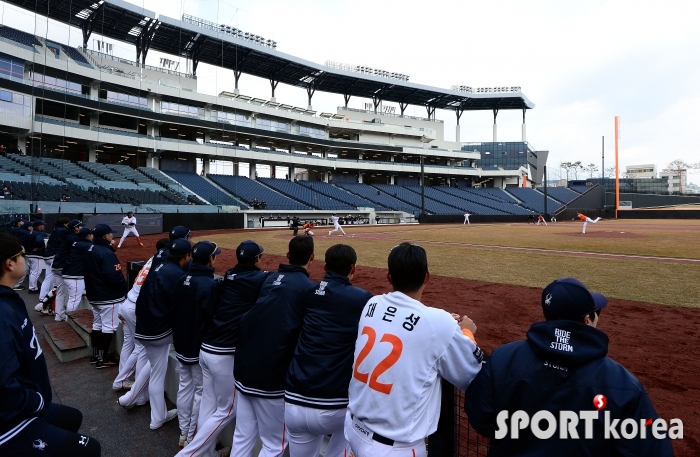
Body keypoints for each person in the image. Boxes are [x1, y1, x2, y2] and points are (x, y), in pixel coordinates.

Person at [464, 278, 673, 456]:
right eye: (596, 312)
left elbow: (481, 418)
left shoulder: (503, 358)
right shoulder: (622, 382)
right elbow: (652, 449)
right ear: (587, 319)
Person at [344, 242, 482, 457]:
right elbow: (473, 373)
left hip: (353, 430)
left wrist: (443, 322)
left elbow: (408, 320)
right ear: (427, 277)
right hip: (394, 448)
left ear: (389, 277)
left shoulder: (372, 304)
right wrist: (466, 332)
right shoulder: (438, 322)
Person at [0, 232, 102, 457]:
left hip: (25, 400)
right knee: (90, 450)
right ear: (9, 264)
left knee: (72, 417)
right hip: (10, 420)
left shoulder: (7, 300)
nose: (24, 260)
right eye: (21, 256)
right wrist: (34, 401)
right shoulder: (2, 314)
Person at [178, 240, 268, 457]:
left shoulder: (229, 274)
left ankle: (206, 452)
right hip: (223, 354)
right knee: (227, 410)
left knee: (209, 407)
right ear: (257, 259)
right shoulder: (257, 278)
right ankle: (189, 454)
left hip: (207, 349)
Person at [285, 244, 373, 457]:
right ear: (353, 269)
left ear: (324, 266)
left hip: (294, 399)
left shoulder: (309, 291)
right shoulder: (361, 298)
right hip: (334, 404)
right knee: (360, 424)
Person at [231, 236, 315, 457]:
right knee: (274, 444)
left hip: (244, 367)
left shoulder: (269, 279)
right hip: (271, 377)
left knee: (242, 436)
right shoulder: (308, 288)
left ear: (287, 256)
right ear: (312, 258)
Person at [117, 229, 191, 408]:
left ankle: (133, 394)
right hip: (145, 315)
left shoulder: (159, 257)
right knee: (153, 363)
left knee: (141, 353)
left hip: (133, 304)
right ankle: (133, 396)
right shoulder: (174, 269)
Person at [133, 238, 192, 430]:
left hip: (143, 328)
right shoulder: (175, 273)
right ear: (186, 256)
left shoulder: (160, 266)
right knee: (190, 353)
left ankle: (156, 416)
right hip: (158, 332)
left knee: (156, 370)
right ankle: (165, 418)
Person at [172, 241, 221, 449]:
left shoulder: (183, 278)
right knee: (201, 393)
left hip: (181, 342)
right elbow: (212, 318)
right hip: (197, 345)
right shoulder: (208, 284)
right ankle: (192, 438)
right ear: (210, 259)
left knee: (184, 387)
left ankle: (184, 432)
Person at [113, 238, 169, 395]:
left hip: (127, 303)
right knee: (141, 348)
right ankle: (124, 381)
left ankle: (123, 379)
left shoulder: (154, 258)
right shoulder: (163, 264)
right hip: (135, 308)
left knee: (129, 343)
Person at [84, 224, 128, 369]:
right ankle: (102, 360)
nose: (112, 235)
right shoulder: (106, 253)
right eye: (110, 233)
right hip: (108, 296)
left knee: (97, 325)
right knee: (109, 327)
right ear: (105, 236)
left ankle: (95, 355)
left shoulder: (91, 249)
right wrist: (125, 289)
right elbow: (114, 276)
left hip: (94, 295)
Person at [50, 220, 84, 322]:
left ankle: (58, 315)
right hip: (62, 267)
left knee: (61, 292)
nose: (82, 227)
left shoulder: (67, 235)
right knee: (74, 297)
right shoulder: (73, 238)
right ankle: (68, 320)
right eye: (80, 226)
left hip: (56, 265)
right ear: (76, 228)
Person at [38, 217, 69, 308]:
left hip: (47, 256)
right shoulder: (64, 231)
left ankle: (42, 297)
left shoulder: (56, 230)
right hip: (54, 257)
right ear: (65, 224)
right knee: (58, 282)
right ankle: (48, 300)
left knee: (48, 279)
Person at [61, 227, 93, 315]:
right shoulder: (84, 245)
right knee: (74, 300)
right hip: (74, 276)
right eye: (91, 235)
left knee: (72, 298)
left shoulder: (78, 243)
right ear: (87, 236)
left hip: (70, 273)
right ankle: (68, 321)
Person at [25, 220, 47, 294]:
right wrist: (39, 248)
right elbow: (39, 241)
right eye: (42, 225)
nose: (43, 226)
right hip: (36, 255)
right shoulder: (38, 233)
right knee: (35, 272)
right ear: (39, 226)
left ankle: (32, 287)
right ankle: (33, 288)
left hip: (29, 254)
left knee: (32, 272)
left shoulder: (30, 232)